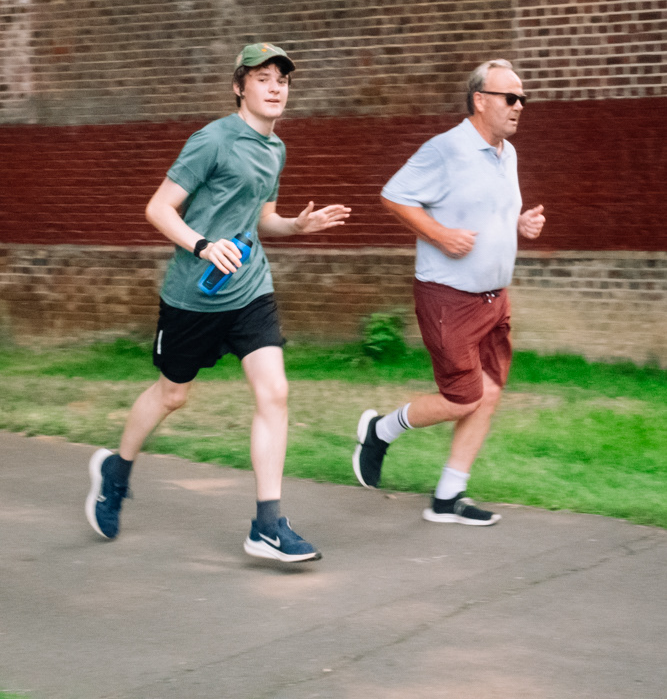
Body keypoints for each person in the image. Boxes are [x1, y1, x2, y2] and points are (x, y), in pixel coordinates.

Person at [86, 42, 350, 561]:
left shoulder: (275, 149)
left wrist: (297, 225)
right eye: (263, 78)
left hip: (250, 289)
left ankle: (267, 525)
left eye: (282, 81)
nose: (275, 88)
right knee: (172, 395)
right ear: (238, 87)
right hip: (195, 295)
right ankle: (116, 470)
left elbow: (261, 219)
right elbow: (158, 209)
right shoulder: (212, 140)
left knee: (274, 392)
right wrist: (204, 245)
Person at [353, 59, 544, 525]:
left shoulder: (507, 154)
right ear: (480, 100)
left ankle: (447, 497)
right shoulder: (445, 149)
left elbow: (488, 211)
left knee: (489, 392)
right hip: (448, 297)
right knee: (463, 397)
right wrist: (439, 235)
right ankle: (380, 430)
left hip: (494, 299)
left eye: (522, 98)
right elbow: (394, 195)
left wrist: (519, 224)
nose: (519, 106)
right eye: (510, 97)